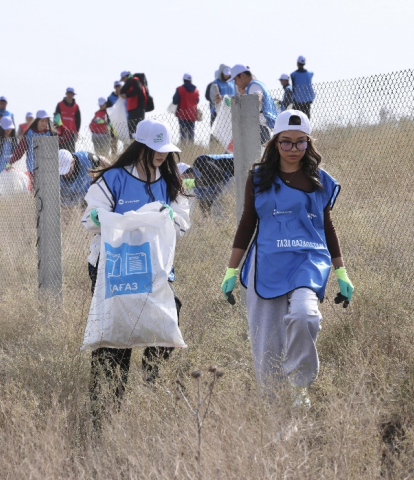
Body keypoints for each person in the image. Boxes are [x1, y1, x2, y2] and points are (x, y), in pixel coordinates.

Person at [219, 110, 350, 410]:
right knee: (267, 349)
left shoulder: (320, 181)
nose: (293, 149)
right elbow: (247, 223)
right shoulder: (259, 179)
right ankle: (277, 418)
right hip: (267, 265)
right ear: (275, 143)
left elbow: (328, 227)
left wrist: (342, 272)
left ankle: (299, 384)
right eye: (286, 142)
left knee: (305, 317)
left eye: (301, 142)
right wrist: (231, 270)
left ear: (309, 143)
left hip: (308, 263)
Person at [80, 119, 191, 419]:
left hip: (153, 268)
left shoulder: (169, 180)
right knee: (116, 337)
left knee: (169, 314)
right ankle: (105, 409)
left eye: (165, 149)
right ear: (140, 146)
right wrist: (105, 218)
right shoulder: (113, 178)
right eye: (155, 148)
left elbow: (182, 222)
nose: (162, 154)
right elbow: (89, 218)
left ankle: (153, 379)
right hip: (114, 267)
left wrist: (170, 217)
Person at [230, 64, 279, 144]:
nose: (235, 83)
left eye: (235, 79)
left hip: (261, 127)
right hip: (266, 126)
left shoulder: (253, 85)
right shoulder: (258, 84)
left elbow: (257, 98)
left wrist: (241, 104)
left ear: (242, 75)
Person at [13, 110, 56, 175]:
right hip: (32, 168)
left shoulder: (50, 134)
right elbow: (20, 150)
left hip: (47, 168)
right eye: (42, 121)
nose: (44, 123)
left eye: (46, 121)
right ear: (37, 121)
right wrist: (11, 162)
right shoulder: (30, 133)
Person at [119, 71, 150, 136]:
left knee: (137, 128)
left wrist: (127, 95)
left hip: (137, 108)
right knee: (132, 128)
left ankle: (137, 140)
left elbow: (138, 89)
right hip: (133, 109)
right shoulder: (130, 82)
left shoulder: (134, 80)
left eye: (123, 79)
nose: (123, 81)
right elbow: (122, 91)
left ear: (125, 77)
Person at [171, 73, 199, 144]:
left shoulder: (180, 89)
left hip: (182, 113)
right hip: (192, 114)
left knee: (183, 132)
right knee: (191, 131)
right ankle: (191, 146)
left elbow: (175, 100)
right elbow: (197, 101)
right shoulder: (196, 91)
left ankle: (183, 146)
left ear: (183, 80)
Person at [54, 87, 83, 152]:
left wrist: (77, 132)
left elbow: (78, 120)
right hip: (61, 133)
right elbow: (56, 118)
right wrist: (56, 129)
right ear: (66, 94)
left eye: (71, 94)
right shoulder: (60, 105)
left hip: (71, 133)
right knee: (61, 151)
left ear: (73, 95)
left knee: (71, 151)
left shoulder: (76, 106)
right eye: (69, 93)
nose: (70, 95)